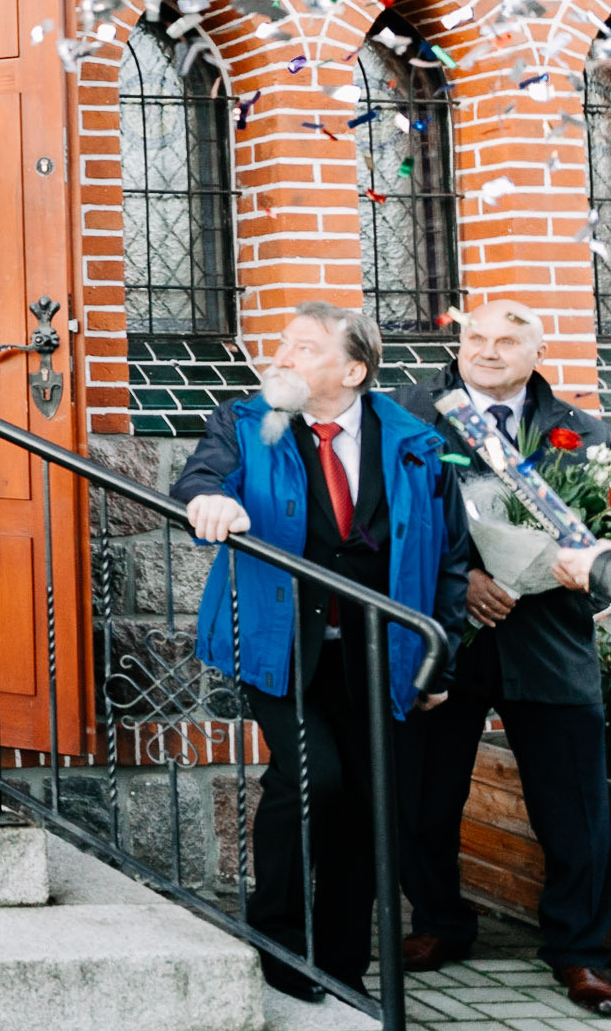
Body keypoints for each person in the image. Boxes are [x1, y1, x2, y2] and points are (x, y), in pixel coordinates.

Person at [177, 301, 468, 1002]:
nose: (281, 357)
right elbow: (198, 480)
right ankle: (276, 940)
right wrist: (210, 503)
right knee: (315, 781)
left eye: (303, 348)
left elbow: (450, 556)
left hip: (382, 652)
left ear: (354, 369)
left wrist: (440, 661)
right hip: (282, 646)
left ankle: (340, 965)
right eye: (282, 344)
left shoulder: (415, 439)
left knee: (369, 801)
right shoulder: (247, 424)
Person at [390, 299, 611, 1011]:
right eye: (476, 337)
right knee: (426, 794)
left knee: (575, 805)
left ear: (535, 352)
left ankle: (580, 949)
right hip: (445, 637)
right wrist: (469, 582)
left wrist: (546, 570)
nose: (488, 350)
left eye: (508, 340)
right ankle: (440, 924)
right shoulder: (408, 415)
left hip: (548, 638)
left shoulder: (586, 434)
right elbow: (387, 521)